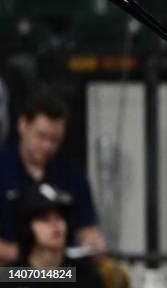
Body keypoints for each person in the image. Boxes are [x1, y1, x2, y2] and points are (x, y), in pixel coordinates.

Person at [0, 91, 104, 265]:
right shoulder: (3, 167)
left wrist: (91, 241)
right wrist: (18, 253)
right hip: (11, 270)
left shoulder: (72, 172)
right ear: (23, 126)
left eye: (54, 139)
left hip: (61, 270)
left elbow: (87, 226)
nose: (47, 146)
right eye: (41, 136)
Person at [6, 183, 104, 288]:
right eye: (45, 219)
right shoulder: (12, 278)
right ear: (27, 227)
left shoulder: (85, 277)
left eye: (59, 217)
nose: (55, 225)